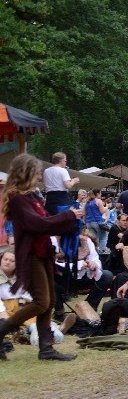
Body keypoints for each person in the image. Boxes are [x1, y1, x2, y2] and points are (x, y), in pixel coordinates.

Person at [0, 154, 83, 361]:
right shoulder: (17, 198)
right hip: (31, 254)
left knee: (50, 300)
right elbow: (37, 225)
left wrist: (69, 218)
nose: (39, 175)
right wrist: (69, 216)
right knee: (41, 302)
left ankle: (46, 349)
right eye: (36, 171)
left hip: (43, 252)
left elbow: (46, 221)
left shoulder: (32, 196)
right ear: (27, 172)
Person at [42, 152, 79, 216]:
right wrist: (73, 181)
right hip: (61, 197)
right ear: (61, 160)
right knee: (63, 217)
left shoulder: (46, 171)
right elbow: (67, 185)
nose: (65, 162)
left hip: (49, 197)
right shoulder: (63, 170)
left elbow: (45, 184)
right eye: (65, 161)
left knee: (51, 217)